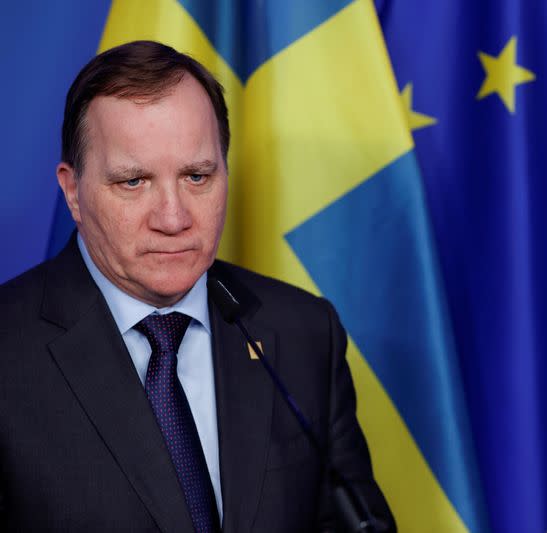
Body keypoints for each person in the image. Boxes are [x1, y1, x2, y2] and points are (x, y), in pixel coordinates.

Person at [0, 40, 394, 532]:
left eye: (197, 176)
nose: (173, 218)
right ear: (73, 191)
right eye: (133, 181)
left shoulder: (303, 332)